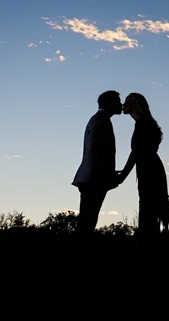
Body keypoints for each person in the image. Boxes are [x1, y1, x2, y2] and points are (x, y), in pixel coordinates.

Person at [117, 93, 169, 243]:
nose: (123, 104)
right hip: (150, 169)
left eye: (126, 101)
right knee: (155, 210)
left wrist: (123, 175)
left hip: (149, 172)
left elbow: (136, 151)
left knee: (150, 210)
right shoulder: (145, 123)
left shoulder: (142, 124)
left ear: (135, 104)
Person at [72, 90, 123, 234]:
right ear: (109, 103)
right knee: (87, 223)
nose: (121, 105)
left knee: (88, 221)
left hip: (93, 178)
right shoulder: (100, 120)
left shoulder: (100, 119)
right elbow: (95, 149)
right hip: (93, 179)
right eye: (118, 102)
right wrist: (107, 175)